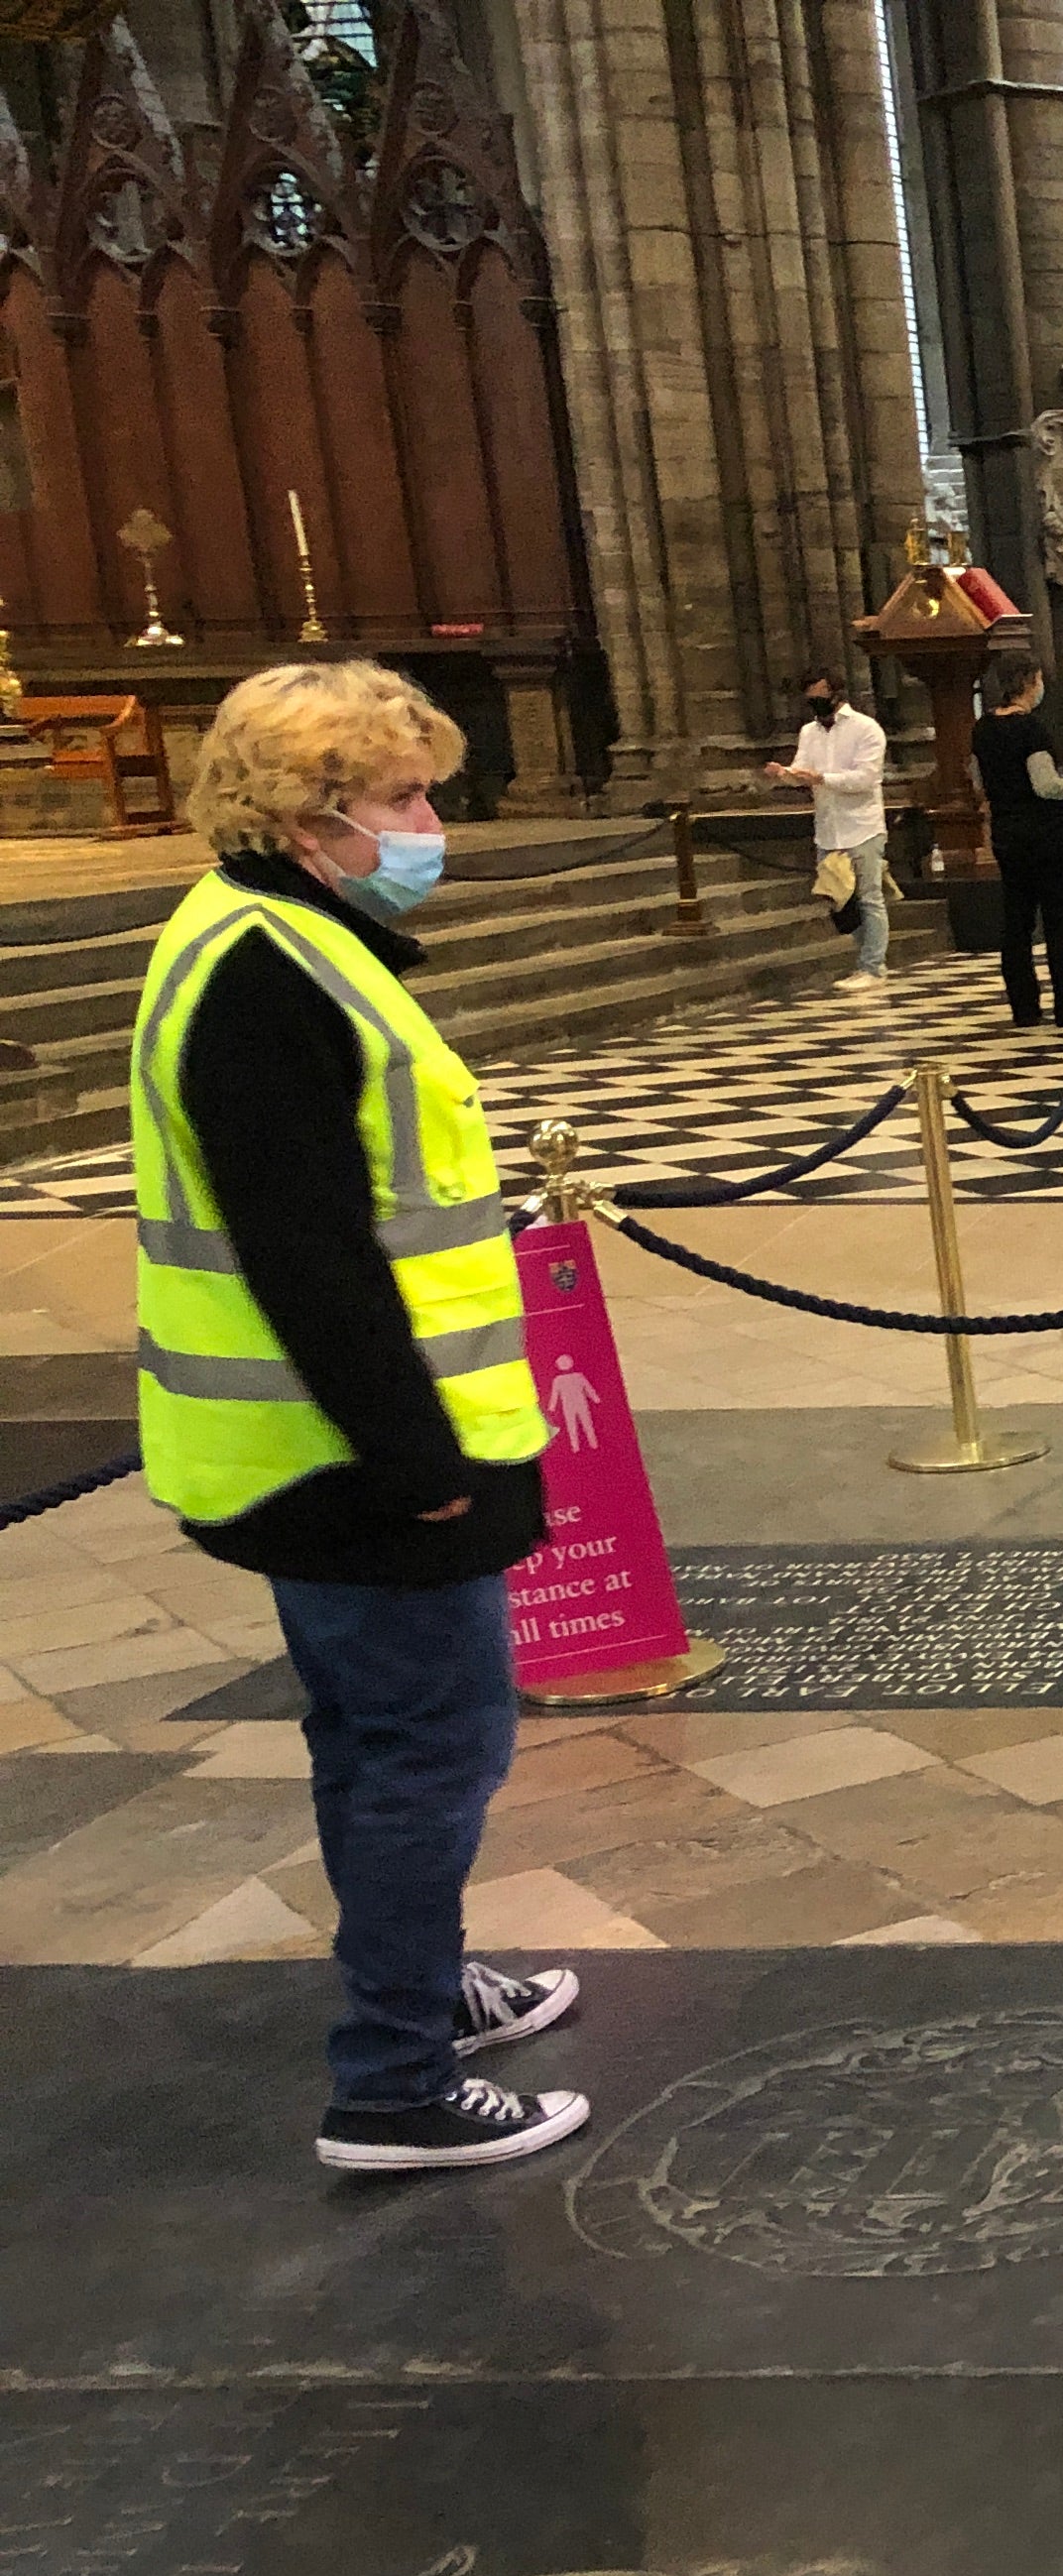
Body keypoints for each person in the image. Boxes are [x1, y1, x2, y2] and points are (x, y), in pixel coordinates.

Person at [133, 661, 587, 2174]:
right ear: (305, 815)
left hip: (315, 1449)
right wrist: (419, 1464)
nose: (428, 822)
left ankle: (421, 1985)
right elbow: (304, 1250)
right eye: (399, 797)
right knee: (434, 1750)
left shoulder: (274, 934)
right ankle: (392, 2078)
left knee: (370, 1738)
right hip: (352, 1457)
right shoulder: (264, 974)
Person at [971, 658, 1063, 1030]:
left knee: (1017, 923)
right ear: (1027, 684)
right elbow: (1046, 786)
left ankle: (1024, 1007)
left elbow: (977, 779)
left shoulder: (983, 728)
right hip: (1045, 834)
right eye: (1038, 681)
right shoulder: (1031, 730)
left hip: (1007, 835)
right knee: (1056, 923)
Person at [768, 662, 891, 990]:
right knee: (839, 898)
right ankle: (864, 959)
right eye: (810, 697)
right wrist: (785, 774)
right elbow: (802, 771)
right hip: (828, 827)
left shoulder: (866, 729)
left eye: (820, 695)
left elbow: (867, 778)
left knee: (868, 897)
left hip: (862, 825)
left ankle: (873, 966)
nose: (816, 702)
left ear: (836, 694)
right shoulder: (809, 732)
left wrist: (824, 778)